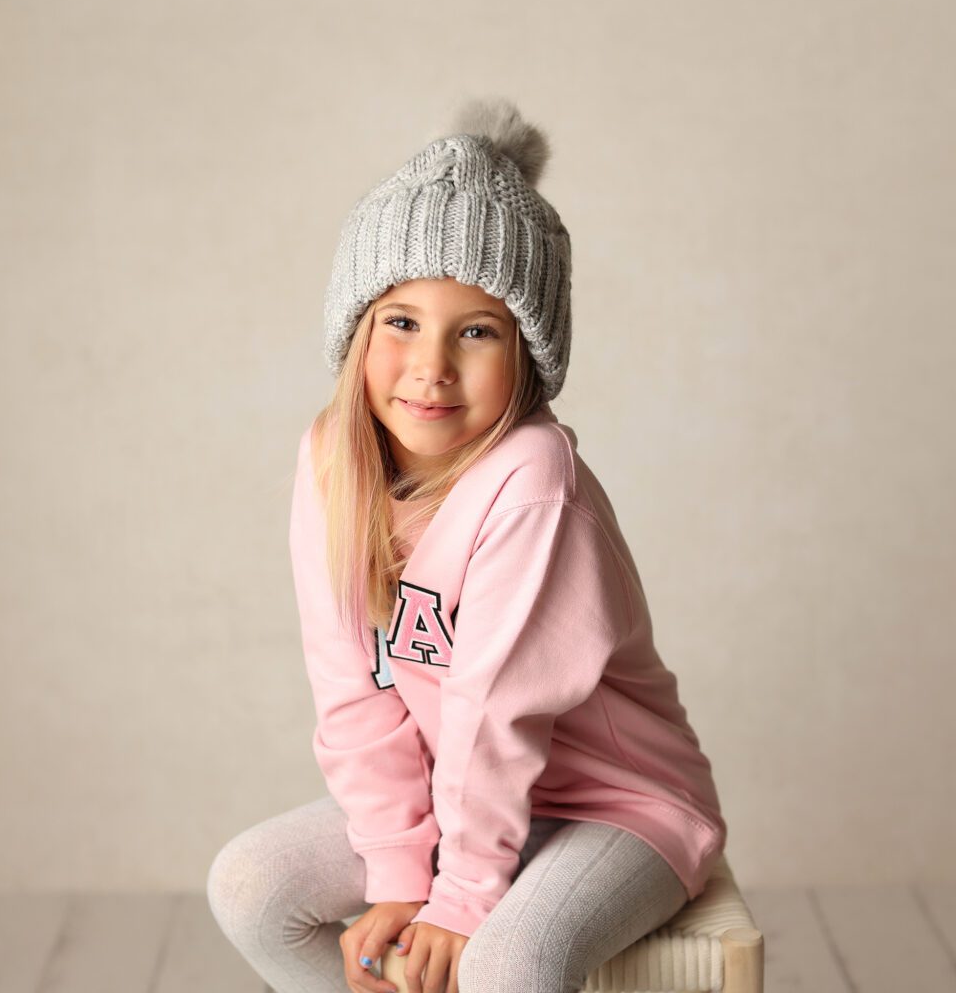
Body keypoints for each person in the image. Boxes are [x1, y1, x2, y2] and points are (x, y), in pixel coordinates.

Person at [207, 96, 728, 993]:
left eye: (476, 332)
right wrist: (402, 873)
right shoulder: (334, 458)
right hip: (462, 799)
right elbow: (351, 688)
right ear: (357, 332)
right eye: (400, 321)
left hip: (615, 807)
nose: (431, 366)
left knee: (509, 960)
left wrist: (457, 900)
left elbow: (494, 716)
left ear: (528, 353)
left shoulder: (533, 482)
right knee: (251, 886)